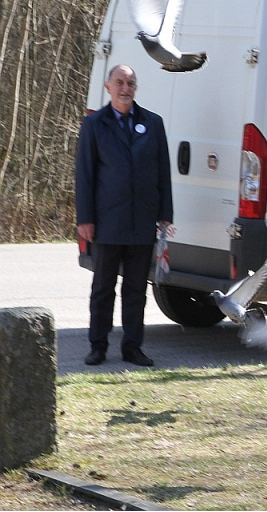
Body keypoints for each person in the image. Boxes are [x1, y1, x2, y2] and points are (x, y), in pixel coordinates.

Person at [75, 64, 173, 367]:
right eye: (119, 82)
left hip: (141, 221)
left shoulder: (152, 123)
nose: (125, 88)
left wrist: (165, 213)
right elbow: (85, 175)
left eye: (130, 83)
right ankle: (98, 346)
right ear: (108, 87)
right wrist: (85, 219)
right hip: (107, 222)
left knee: (135, 290)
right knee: (103, 288)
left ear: (136, 88)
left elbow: (162, 172)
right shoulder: (94, 125)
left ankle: (133, 347)